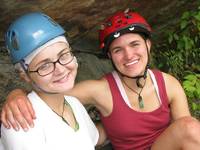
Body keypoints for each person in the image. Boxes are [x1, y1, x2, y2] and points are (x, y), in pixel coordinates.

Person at [1, 9, 200, 150]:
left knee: (189, 127)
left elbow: (186, 136)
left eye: (135, 44)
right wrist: (16, 95)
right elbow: (49, 96)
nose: (129, 55)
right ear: (110, 57)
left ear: (148, 45)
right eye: (118, 50)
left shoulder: (168, 84)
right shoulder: (98, 90)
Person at [0, 12, 106, 150]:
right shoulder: (21, 122)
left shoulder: (73, 104)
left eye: (64, 55)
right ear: (24, 75)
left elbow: (94, 137)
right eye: (44, 65)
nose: (61, 70)